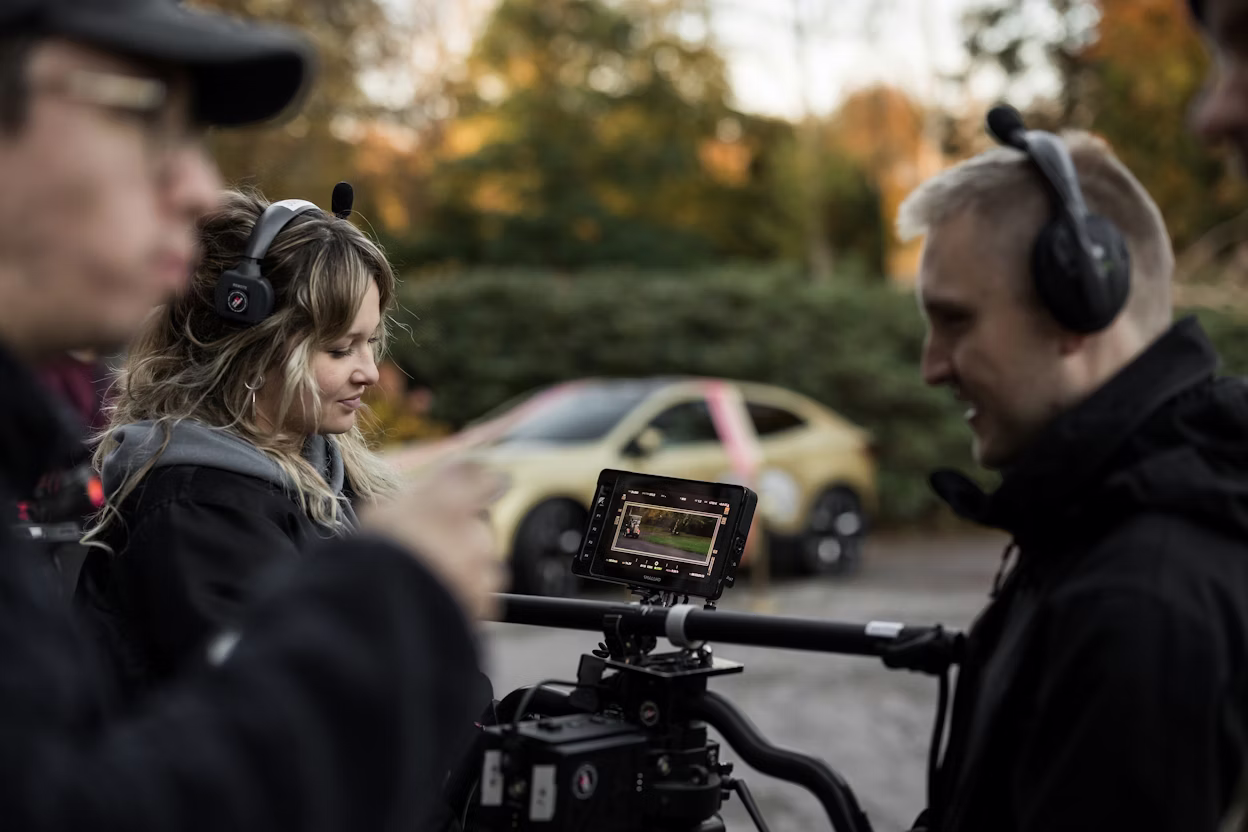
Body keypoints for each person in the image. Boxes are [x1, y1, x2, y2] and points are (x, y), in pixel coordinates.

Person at [0, 1, 503, 829]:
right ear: (250, 333)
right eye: (141, 117)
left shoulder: (30, 462)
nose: (197, 186)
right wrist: (393, 611)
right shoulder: (194, 499)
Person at [896, 120, 1248, 831]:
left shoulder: (1141, 601)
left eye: (955, 321)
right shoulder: (1094, 522)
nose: (932, 366)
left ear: (1082, 303)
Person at [74, 188, 407, 697]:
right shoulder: (197, 509)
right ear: (253, 353)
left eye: (370, 342)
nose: (368, 372)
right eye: (340, 349)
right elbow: (297, 713)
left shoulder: (325, 469)